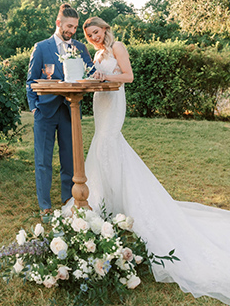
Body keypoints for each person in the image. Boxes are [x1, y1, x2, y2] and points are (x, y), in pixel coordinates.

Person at [77, 16, 230, 304]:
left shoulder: (118, 46)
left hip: (115, 101)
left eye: (96, 33)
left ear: (105, 29)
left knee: (110, 143)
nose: (94, 39)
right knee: (101, 146)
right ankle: (107, 201)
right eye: (90, 36)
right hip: (101, 101)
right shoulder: (97, 54)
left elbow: (128, 77)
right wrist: (95, 80)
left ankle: (124, 202)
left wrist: (105, 77)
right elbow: (102, 77)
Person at [26, 3, 94, 214]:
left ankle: (68, 200)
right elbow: (30, 81)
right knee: (43, 161)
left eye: (74, 27)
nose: (71, 31)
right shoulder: (41, 47)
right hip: (45, 111)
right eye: (68, 26)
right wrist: (34, 108)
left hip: (69, 110)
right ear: (58, 23)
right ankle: (45, 205)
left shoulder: (81, 48)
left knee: (70, 159)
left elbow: (90, 73)